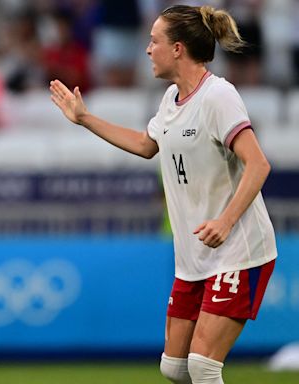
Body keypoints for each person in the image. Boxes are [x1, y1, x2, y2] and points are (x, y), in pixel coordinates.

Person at [50, 5, 277, 384]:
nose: (146, 49)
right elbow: (144, 144)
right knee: (175, 368)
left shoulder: (218, 96)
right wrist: (85, 118)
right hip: (194, 258)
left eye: (154, 41)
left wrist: (225, 220)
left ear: (177, 49)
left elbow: (259, 165)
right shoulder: (171, 98)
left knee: (204, 367)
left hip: (239, 250)